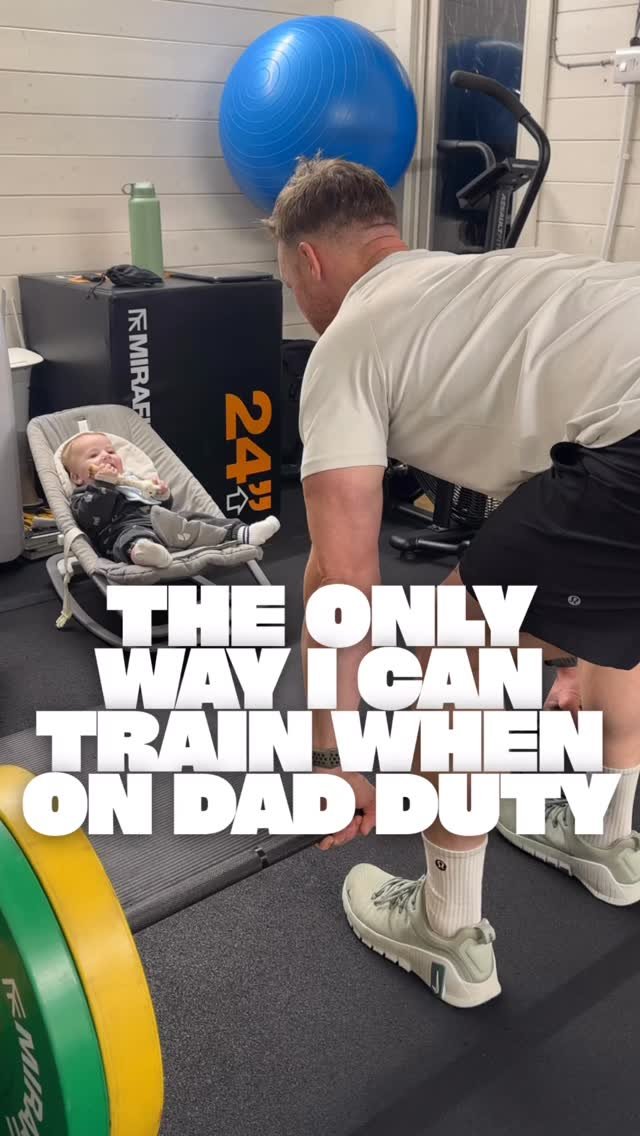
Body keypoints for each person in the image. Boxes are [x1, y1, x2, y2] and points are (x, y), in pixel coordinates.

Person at [266, 156, 640, 1009]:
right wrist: (573, 650)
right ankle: (609, 840)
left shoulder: (350, 340)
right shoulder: (486, 289)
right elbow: (581, 521)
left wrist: (331, 757)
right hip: (623, 442)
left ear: (309, 261)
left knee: (455, 646)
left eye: (291, 282)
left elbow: (342, 577)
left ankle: (448, 927)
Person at [62, 432, 279, 568]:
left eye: (110, 451)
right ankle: (146, 553)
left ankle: (241, 532)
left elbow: (164, 506)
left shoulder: (133, 479)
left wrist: (162, 494)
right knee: (131, 539)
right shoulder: (83, 496)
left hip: (165, 522)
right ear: (77, 477)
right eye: (93, 456)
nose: (106, 456)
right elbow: (93, 517)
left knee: (193, 517)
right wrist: (104, 485)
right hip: (123, 530)